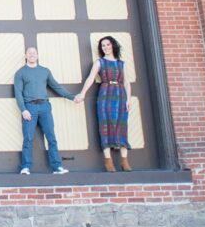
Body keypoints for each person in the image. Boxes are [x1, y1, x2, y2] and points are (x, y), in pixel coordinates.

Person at [13, 46, 77, 175]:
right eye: (29, 53)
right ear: (25, 56)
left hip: (45, 107)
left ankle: (57, 167)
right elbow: (18, 93)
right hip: (29, 108)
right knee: (28, 138)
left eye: (34, 53)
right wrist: (23, 110)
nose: (32, 55)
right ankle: (25, 167)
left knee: (51, 138)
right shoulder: (20, 73)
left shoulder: (45, 71)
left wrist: (73, 97)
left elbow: (56, 87)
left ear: (37, 55)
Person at [75, 35, 131, 172]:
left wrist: (128, 100)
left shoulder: (121, 63)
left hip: (120, 94)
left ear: (113, 46)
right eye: (103, 46)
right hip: (105, 94)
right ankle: (108, 161)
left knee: (122, 125)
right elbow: (90, 78)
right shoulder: (99, 62)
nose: (105, 47)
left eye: (108, 45)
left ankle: (124, 161)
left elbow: (126, 82)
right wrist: (82, 93)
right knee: (105, 125)